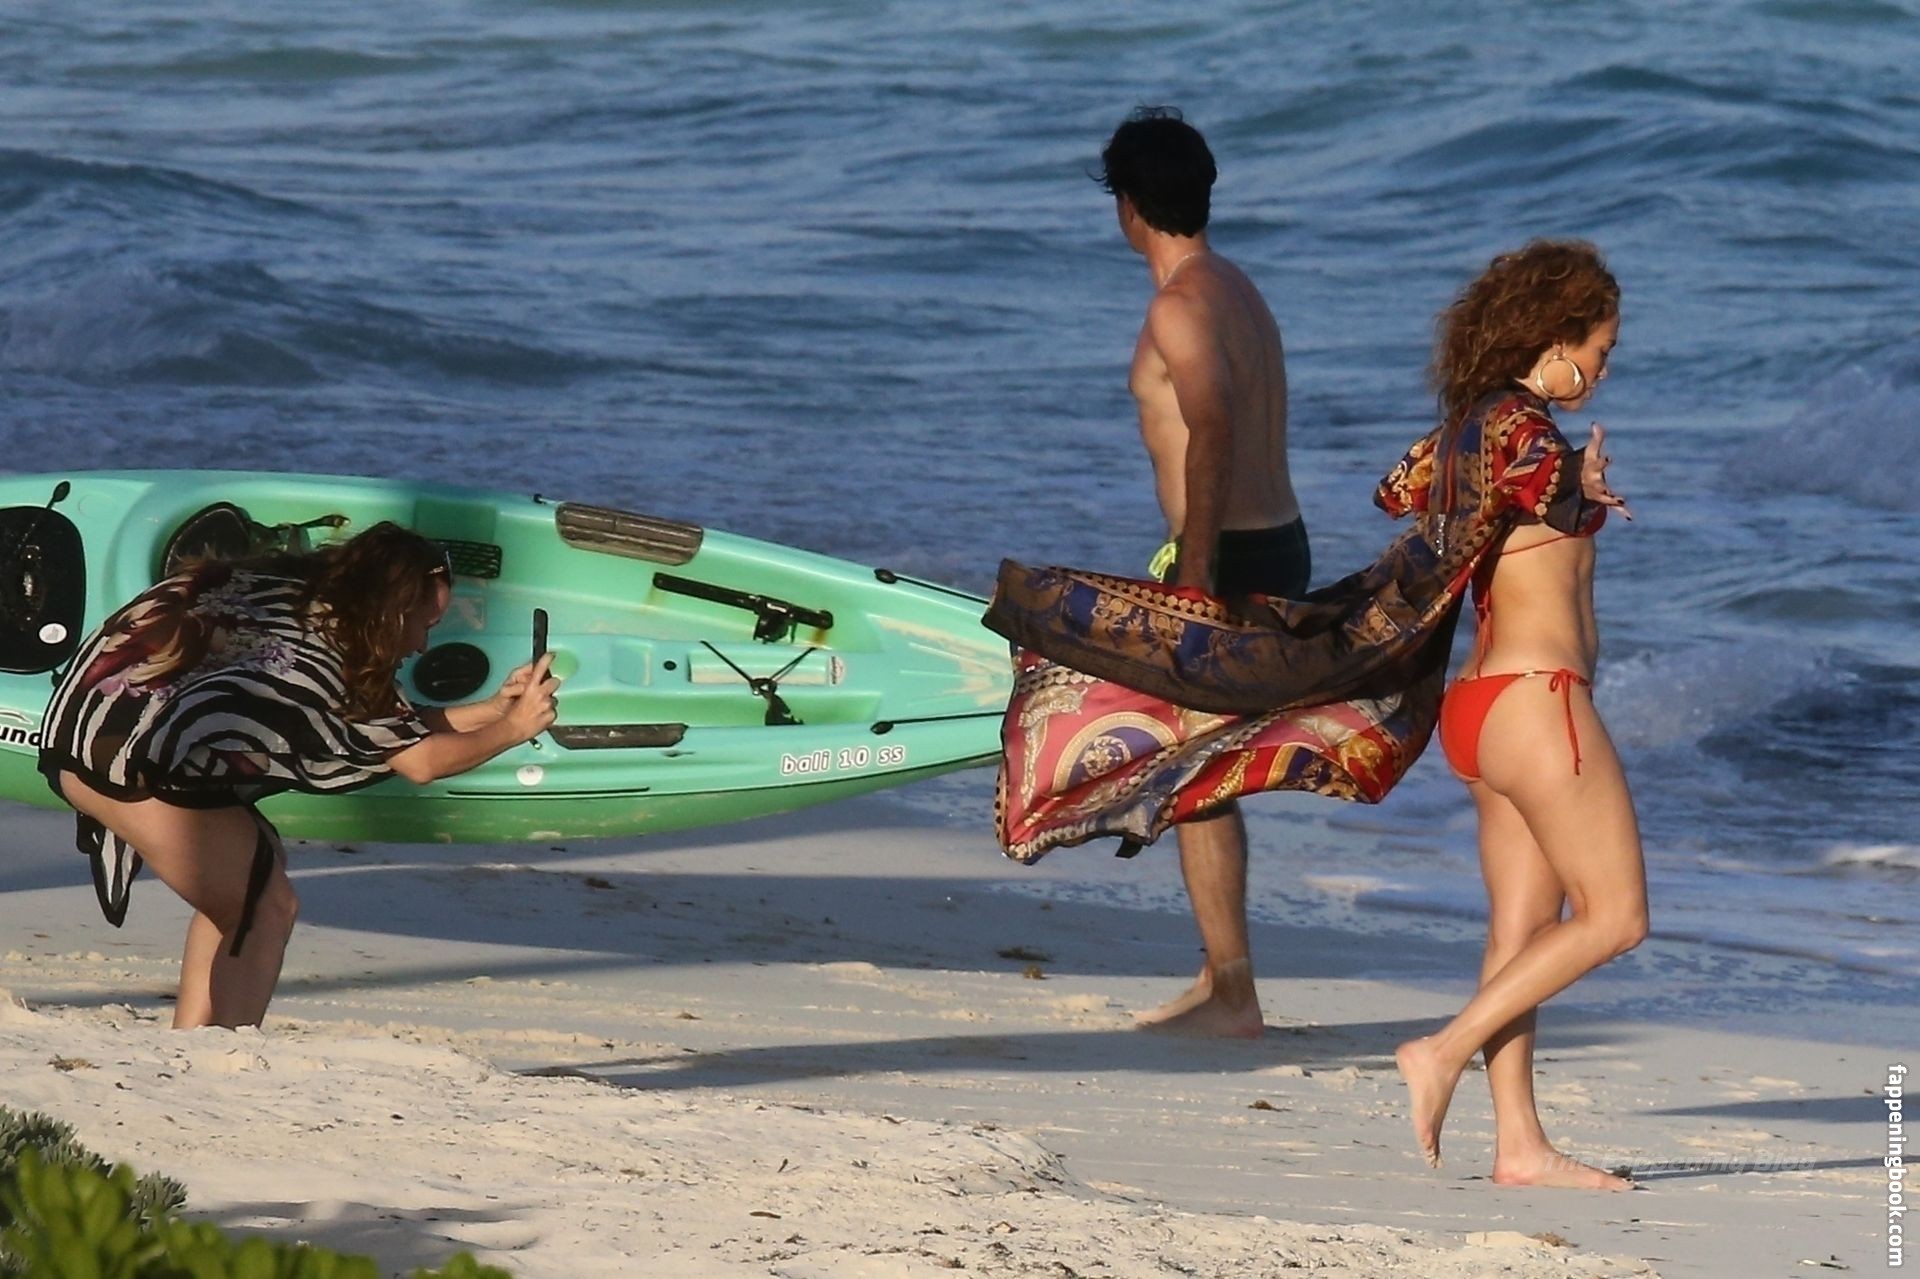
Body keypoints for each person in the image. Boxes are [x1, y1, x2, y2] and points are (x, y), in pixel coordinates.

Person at [38, 521, 560, 1029]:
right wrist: (514, 730)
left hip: (79, 739)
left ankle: (193, 1044)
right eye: (424, 624)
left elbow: (390, 731)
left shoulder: (296, 597)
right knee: (267, 905)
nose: (422, 644)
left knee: (252, 873)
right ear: (392, 608)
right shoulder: (334, 647)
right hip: (126, 765)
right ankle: (223, 1049)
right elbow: (420, 762)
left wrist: (494, 710)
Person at [1392, 241, 1646, 1189]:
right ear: (1557, 337)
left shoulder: (1475, 428)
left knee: (1521, 934)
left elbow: (1397, 488)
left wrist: (1562, 481)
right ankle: (1442, 1049)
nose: (1604, 370)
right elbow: (1543, 479)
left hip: (1480, 712)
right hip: (1539, 705)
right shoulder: (1520, 428)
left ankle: (1520, 1145)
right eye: (1602, 350)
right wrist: (1574, 481)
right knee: (1616, 916)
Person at [1100, 105, 1309, 1038]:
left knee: (1197, 771)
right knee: (1202, 765)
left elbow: (1214, 426)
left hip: (1225, 553)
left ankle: (1233, 990)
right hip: (1277, 538)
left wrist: (1192, 572)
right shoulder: (1237, 289)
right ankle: (1222, 976)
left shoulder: (1179, 305)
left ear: (1129, 205)